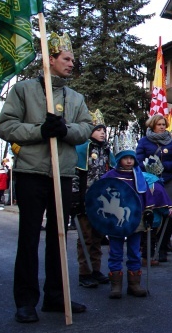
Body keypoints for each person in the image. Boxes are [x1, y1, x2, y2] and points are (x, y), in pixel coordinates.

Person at [0, 32, 93, 323]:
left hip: (62, 174)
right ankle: (25, 301)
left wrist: (65, 131)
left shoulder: (76, 97)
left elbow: (86, 127)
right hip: (31, 173)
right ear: (50, 59)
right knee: (28, 238)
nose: (71, 63)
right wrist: (39, 131)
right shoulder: (24, 90)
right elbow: (5, 126)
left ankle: (56, 296)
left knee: (58, 238)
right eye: (66, 58)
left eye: (73, 59)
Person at [101, 133, 172, 299]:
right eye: (125, 158)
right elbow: (99, 193)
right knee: (116, 252)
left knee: (134, 251)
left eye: (131, 158)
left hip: (136, 218)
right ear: (119, 159)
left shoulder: (138, 175)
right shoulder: (110, 176)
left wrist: (148, 210)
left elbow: (146, 194)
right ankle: (116, 285)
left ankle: (134, 284)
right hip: (115, 220)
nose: (128, 161)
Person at [73, 109, 116, 288]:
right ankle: (85, 272)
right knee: (86, 238)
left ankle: (96, 269)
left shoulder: (106, 150)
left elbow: (112, 172)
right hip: (85, 200)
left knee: (98, 237)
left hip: (102, 201)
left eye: (104, 130)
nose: (102, 133)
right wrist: (75, 199)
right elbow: (75, 175)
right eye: (99, 129)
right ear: (90, 130)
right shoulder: (82, 148)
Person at [136, 114, 172, 263]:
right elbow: (138, 160)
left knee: (169, 214)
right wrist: (151, 167)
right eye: (159, 124)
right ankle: (148, 247)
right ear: (152, 126)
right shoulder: (144, 141)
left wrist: (164, 167)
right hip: (150, 181)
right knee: (150, 212)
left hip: (168, 180)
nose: (162, 127)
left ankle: (163, 247)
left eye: (164, 124)